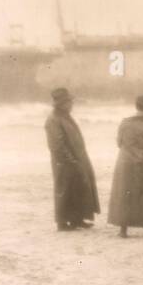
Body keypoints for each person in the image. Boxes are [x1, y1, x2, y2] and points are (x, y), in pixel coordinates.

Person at [43, 87, 99, 231]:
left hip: (75, 158)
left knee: (77, 187)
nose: (72, 104)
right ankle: (62, 223)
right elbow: (57, 145)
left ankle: (76, 219)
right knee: (64, 189)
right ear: (62, 103)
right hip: (63, 161)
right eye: (69, 102)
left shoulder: (64, 116)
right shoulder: (53, 119)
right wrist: (71, 160)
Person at [107, 94, 143, 239]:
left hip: (125, 163)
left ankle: (123, 230)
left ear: (136, 106)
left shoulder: (124, 123)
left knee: (125, 194)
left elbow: (119, 143)